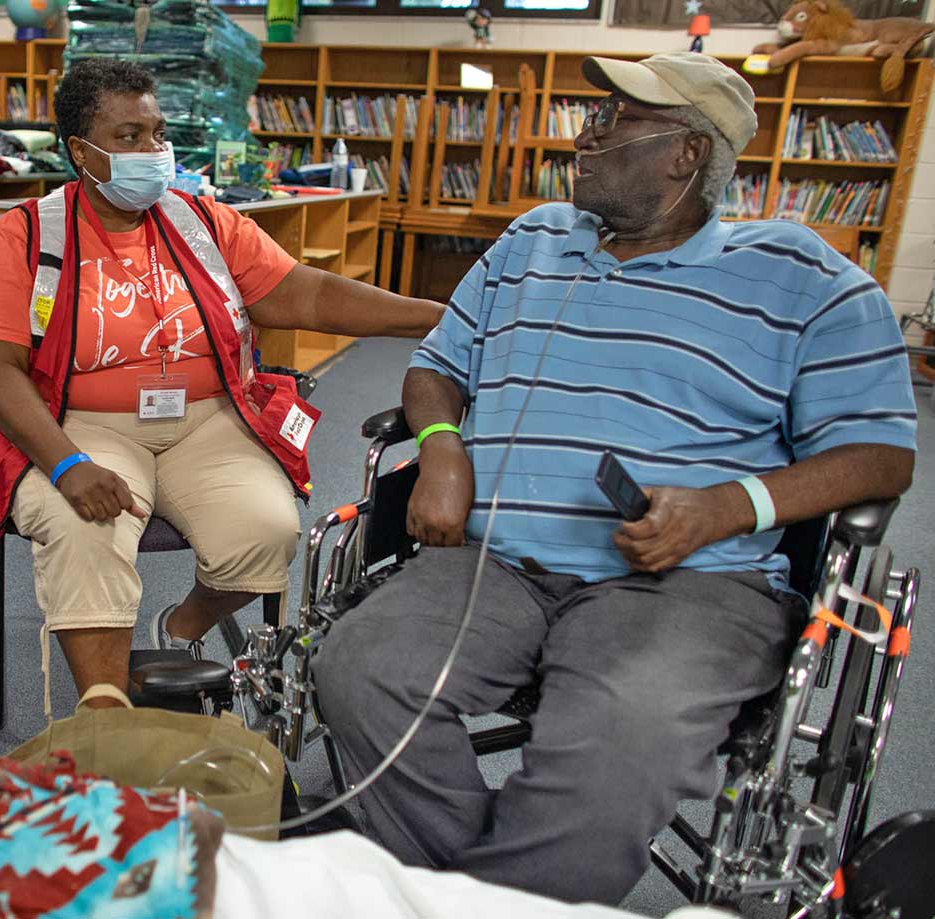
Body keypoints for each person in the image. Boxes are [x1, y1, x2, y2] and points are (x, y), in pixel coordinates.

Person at [312, 52, 916, 904]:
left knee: (617, 739)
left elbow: (882, 452)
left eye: (618, 120)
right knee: (358, 669)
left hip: (687, 582)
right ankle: (494, 894)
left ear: (686, 156)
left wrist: (726, 505)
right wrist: (443, 446)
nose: (586, 133)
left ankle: (462, 895)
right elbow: (435, 366)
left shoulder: (806, 281)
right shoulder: (531, 241)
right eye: (594, 113)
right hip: (497, 563)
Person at [0, 59, 443, 709]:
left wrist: (440, 316)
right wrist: (66, 462)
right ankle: (108, 716)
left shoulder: (203, 222)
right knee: (84, 529)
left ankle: (181, 626)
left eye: (157, 134)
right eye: (129, 137)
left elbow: (313, 294)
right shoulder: (26, 237)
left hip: (209, 419)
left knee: (267, 530)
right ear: (81, 151)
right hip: (79, 424)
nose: (153, 151)